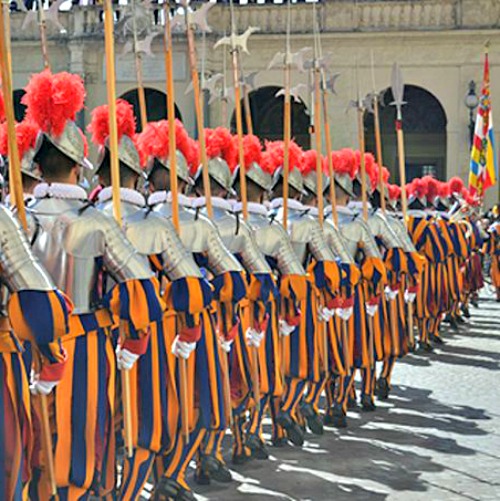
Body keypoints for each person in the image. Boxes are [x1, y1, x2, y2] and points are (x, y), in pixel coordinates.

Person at [21, 69, 165, 499]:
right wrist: (132, 341)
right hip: (83, 344)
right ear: (77, 166)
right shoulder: (96, 222)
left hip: (26, 348)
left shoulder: (18, 218)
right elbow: (140, 286)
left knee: (33, 440)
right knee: (81, 438)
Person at [90, 100, 213, 499]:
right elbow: (193, 285)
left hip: (88, 339)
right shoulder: (152, 224)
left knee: (99, 422)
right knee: (149, 419)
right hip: (147, 331)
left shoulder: (84, 216)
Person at [138, 118, 246, 500]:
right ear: (186, 183)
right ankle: (175, 473)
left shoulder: (129, 217)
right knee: (207, 402)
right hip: (194, 326)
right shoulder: (199, 224)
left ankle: (159, 478)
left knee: (149, 412)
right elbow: (235, 280)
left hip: (142, 328)